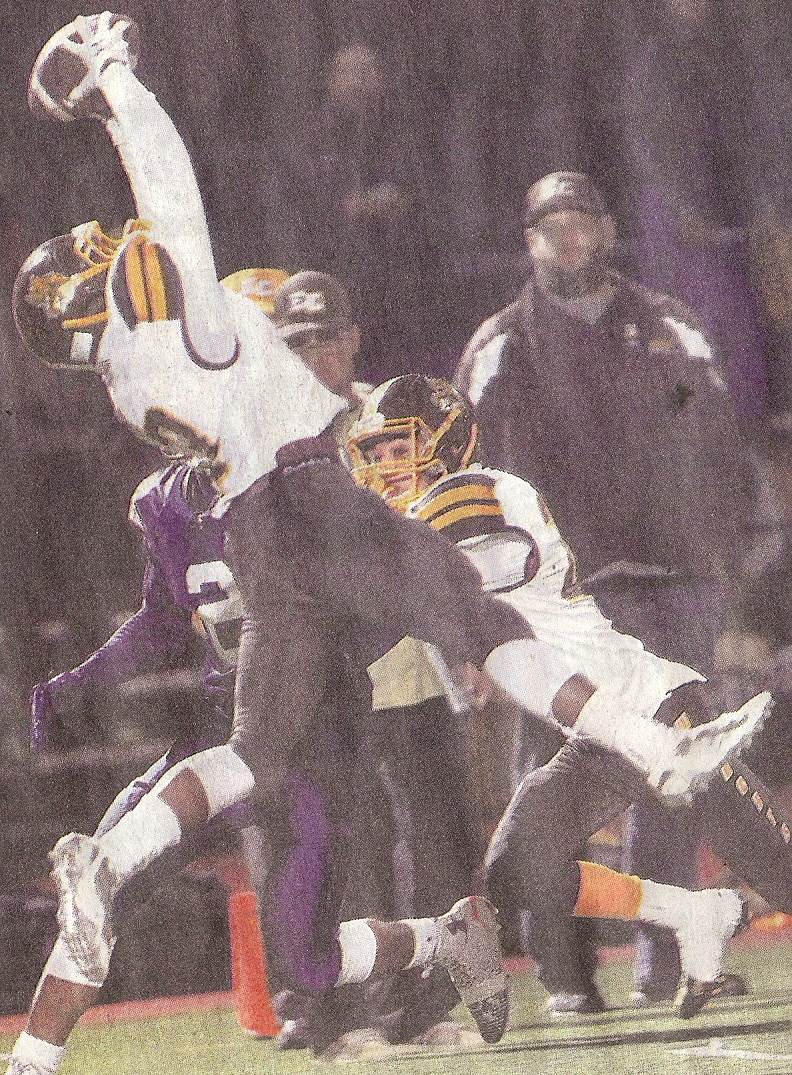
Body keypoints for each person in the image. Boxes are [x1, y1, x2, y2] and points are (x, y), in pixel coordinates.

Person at [8, 18, 765, 1072]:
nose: (107, 246)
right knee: (477, 615)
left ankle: (106, 880)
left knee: (256, 758)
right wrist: (118, 87)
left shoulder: (132, 379)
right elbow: (173, 199)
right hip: (308, 500)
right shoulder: (177, 333)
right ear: (74, 301)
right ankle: (659, 752)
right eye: (88, 259)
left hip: (272, 547)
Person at [348, 374, 792, 1019]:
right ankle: (696, 912)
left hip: (658, 709)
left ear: (446, 439)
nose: (386, 466)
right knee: (518, 866)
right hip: (595, 728)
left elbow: (398, 579)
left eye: (398, 447)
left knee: (777, 869)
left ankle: (424, 1004)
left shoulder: (477, 491)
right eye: (378, 452)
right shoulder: (438, 523)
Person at [455, 170, 757, 1009]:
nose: (570, 237)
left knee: (678, 770)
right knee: (556, 780)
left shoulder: (669, 325)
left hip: (676, 579)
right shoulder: (503, 343)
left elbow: (725, 445)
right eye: (551, 225)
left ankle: (671, 965)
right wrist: (485, 613)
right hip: (567, 601)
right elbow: (467, 485)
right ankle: (565, 972)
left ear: (609, 228)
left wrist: (720, 564)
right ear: (528, 240)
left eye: (582, 220)